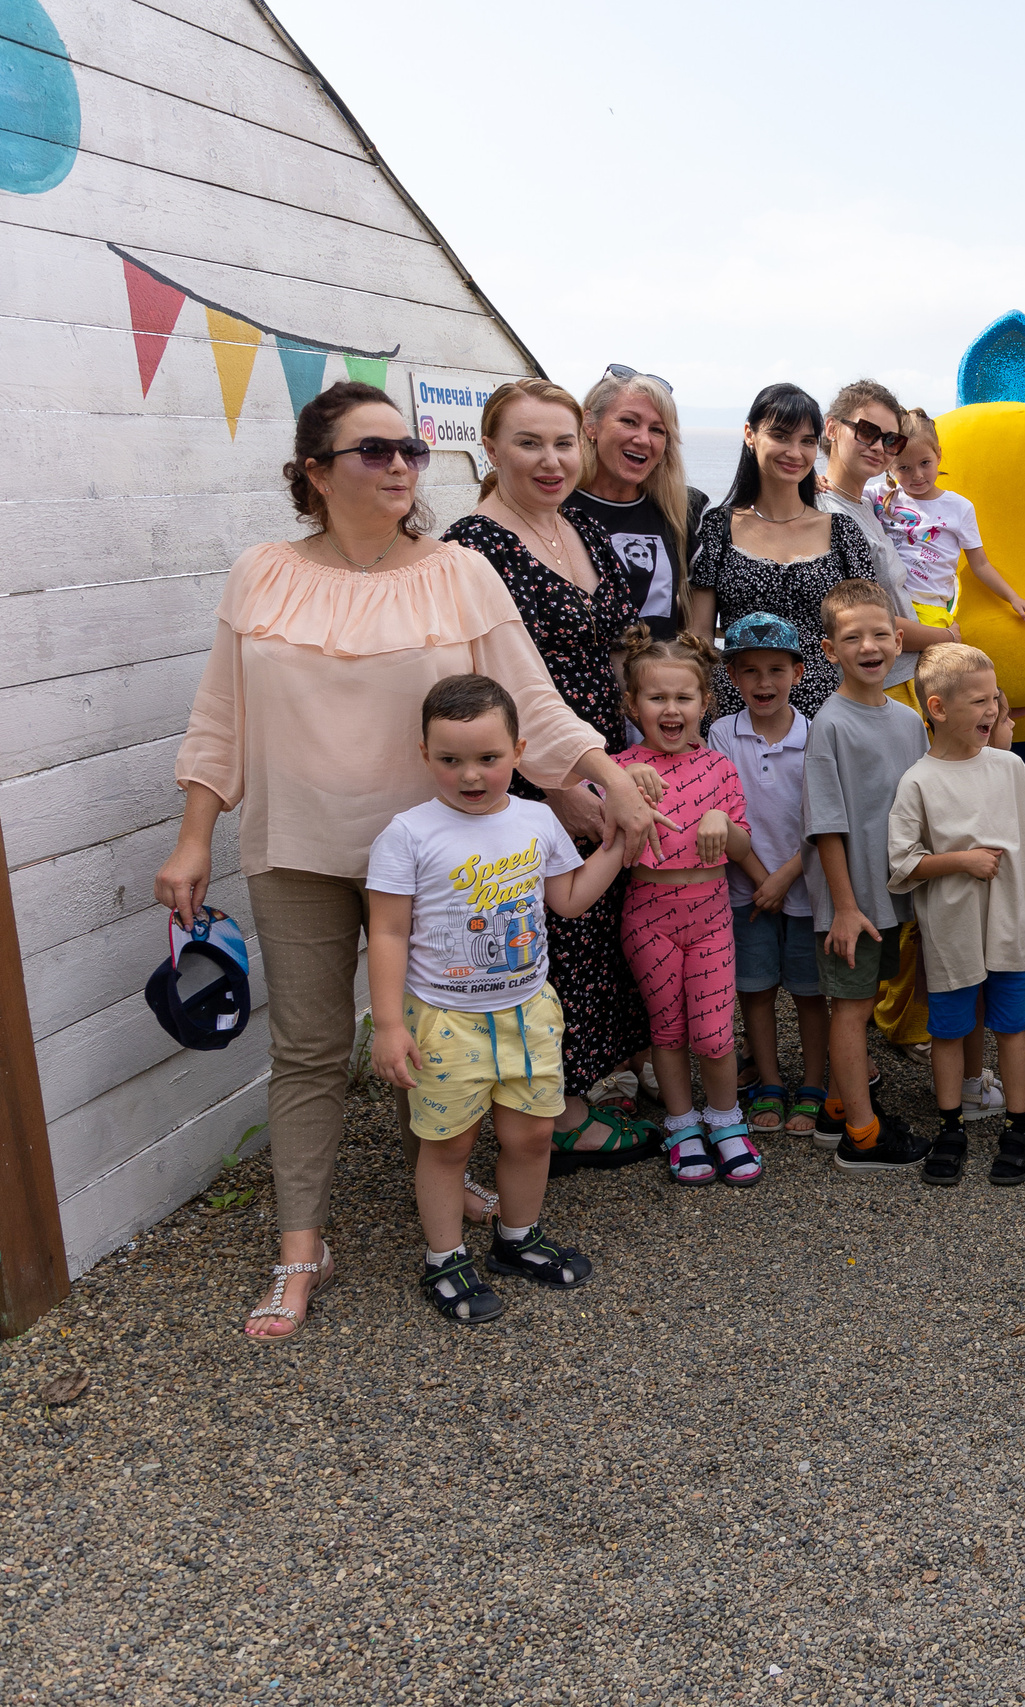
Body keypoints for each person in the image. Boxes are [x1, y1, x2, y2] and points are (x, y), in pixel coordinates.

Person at [160, 380, 670, 1341]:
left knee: (436, 1030)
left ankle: (443, 1180)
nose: (400, 466)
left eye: (410, 451)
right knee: (311, 1052)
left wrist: (611, 777)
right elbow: (220, 716)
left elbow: (533, 701)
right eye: (374, 450)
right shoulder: (260, 573)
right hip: (297, 846)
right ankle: (300, 1246)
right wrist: (193, 836)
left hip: (441, 854)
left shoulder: (457, 573)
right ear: (314, 471)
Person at [366, 676, 627, 1323]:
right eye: (451, 759)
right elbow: (389, 932)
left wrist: (619, 848)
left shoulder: (537, 820)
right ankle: (445, 1257)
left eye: (488, 757)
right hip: (447, 1018)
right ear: (425, 755)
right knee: (449, 1145)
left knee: (533, 1134)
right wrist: (390, 1023)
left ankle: (517, 1236)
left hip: (529, 1012)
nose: (471, 774)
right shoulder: (408, 833)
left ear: (519, 748)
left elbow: (567, 899)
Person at [444, 378, 655, 1168]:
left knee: (596, 925)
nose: (550, 459)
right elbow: (490, 676)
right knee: (548, 933)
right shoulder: (473, 547)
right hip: (528, 767)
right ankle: (553, 1117)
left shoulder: (581, 529)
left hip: (599, 751)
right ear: (491, 449)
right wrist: (560, 782)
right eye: (529, 443)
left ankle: (575, 1087)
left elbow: (611, 648)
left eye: (564, 442)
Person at [888, 643, 1025, 1188]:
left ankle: (1018, 1126)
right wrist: (959, 861)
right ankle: (951, 1127)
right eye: (979, 701)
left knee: (1011, 1027)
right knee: (949, 1030)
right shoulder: (917, 781)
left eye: (995, 699)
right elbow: (902, 863)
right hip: (952, 933)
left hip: (1010, 927)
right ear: (938, 708)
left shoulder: (1010, 768)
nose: (992, 710)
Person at [614, 630, 766, 1188]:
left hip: (709, 914)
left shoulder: (721, 769)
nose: (670, 709)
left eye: (683, 698)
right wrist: (622, 781)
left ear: (705, 703)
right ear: (633, 706)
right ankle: (682, 1123)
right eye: (657, 699)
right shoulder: (619, 768)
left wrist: (722, 823)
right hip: (647, 914)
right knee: (668, 1028)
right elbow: (592, 815)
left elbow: (746, 847)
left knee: (714, 1032)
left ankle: (725, 1119)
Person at [803, 580, 932, 1173]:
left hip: (892, 897)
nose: (869, 645)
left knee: (865, 1000)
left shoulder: (907, 722)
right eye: (852, 637)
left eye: (880, 633)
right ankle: (862, 1133)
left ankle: (837, 1105)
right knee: (850, 1011)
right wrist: (845, 905)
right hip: (850, 902)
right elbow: (825, 822)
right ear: (831, 651)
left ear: (899, 640)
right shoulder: (829, 724)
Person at [688, 382, 888, 720]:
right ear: (750, 434)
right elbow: (700, 638)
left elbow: (867, 635)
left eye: (807, 441)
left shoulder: (842, 532)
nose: (795, 452)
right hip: (736, 719)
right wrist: (696, 716)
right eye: (781, 436)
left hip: (826, 717)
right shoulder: (716, 528)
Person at [706, 614, 826, 1141]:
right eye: (749, 671)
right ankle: (772, 1082)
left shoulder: (817, 736)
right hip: (744, 889)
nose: (763, 683)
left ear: (799, 672)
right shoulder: (721, 734)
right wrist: (761, 879)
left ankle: (816, 1085)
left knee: (808, 993)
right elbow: (723, 813)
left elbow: (825, 821)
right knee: (754, 992)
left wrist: (784, 879)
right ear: (732, 676)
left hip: (806, 889)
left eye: (776, 669)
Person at [819, 380, 953, 704]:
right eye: (867, 432)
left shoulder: (868, 505)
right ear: (832, 428)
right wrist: (944, 637)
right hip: (876, 687)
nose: (879, 446)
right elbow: (865, 617)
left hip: (906, 678)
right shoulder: (824, 511)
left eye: (891, 440)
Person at [870, 410, 1025, 626]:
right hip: (885, 602)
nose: (916, 475)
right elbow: (838, 490)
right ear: (890, 465)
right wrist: (822, 482)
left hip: (929, 608)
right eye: (904, 468)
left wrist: (1014, 598)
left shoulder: (959, 507)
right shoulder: (879, 495)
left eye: (925, 463)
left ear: (938, 455)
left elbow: (981, 564)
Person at [565, 365, 704, 643]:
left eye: (657, 430)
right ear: (590, 424)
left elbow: (695, 616)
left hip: (660, 682)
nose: (643, 439)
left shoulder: (682, 511)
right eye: (629, 422)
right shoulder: (559, 510)